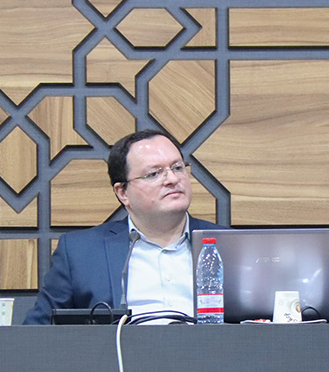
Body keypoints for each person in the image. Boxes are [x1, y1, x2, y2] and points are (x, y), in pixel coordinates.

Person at [24, 130, 219, 324]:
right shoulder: (79, 252)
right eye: (154, 174)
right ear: (123, 192)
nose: (173, 179)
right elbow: (37, 331)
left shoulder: (227, 244)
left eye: (177, 168)